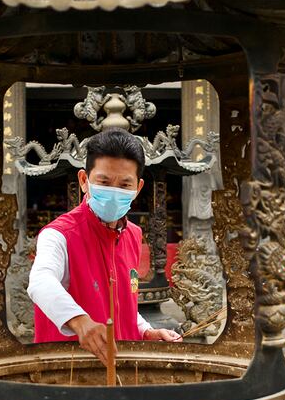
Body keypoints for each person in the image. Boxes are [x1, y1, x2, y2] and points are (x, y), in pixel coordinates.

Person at [27, 128, 182, 363]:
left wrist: (145, 331)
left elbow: (124, 301)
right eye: (104, 181)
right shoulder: (59, 235)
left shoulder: (133, 234)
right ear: (84, 181)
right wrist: (80, 322)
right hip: (71, 369)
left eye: (124, 184)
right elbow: (41, 283)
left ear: (137, 188)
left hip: (123, 366)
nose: (114, 191)